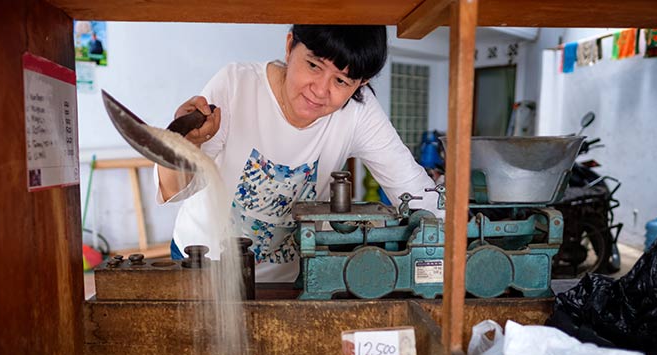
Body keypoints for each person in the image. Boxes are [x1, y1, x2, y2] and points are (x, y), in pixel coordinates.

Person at [155, 25, 442, 282]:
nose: (320, 90)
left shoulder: (359, 112)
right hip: (204, 263)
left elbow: (417, 193)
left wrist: (464, 235)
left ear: (361, 84)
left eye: (341, 81)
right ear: (290, 45)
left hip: (285, 278)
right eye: (314, 65)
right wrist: (187, 146)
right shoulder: (236, 86)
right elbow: (178, 190)